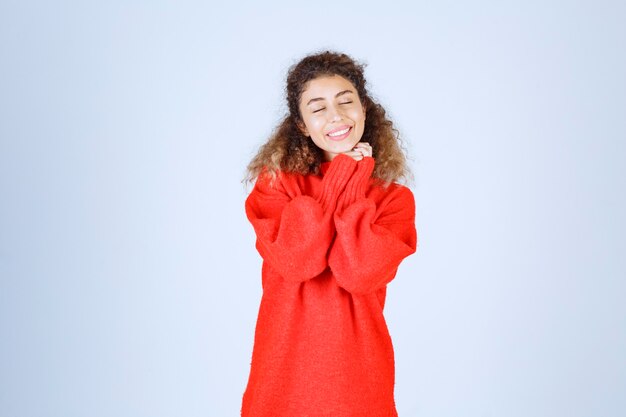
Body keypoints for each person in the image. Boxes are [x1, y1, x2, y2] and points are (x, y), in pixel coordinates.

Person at [240, 50, 418, 417]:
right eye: (317, 107)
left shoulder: (394, 200)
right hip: (283, 373)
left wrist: (355, 182)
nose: (335, 115)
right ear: (302, 125)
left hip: (357, 376)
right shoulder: (276, 186)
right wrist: (341, 178)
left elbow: (357, 272)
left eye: (345, 101)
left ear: (364, 110)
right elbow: (299, 261)